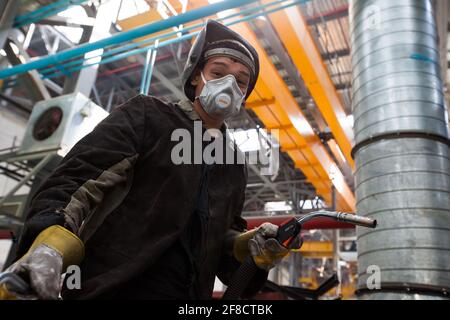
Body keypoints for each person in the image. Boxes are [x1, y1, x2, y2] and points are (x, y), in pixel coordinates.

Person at [4, 20, 302, 300]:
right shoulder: (148, 116)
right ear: (196, 76)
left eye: (240, 81)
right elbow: (77, 180)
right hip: (111, 290)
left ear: (244, 95)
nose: (228, 85)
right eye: (218, 72)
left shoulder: (233, 163)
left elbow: (222, 245)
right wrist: (49, 245)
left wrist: (249, 248)